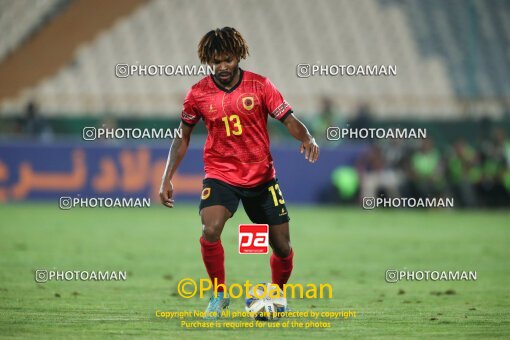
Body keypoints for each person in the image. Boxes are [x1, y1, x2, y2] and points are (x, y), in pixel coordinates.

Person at [159, 27, 319, 319]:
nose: (222, 67)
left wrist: (306, 137)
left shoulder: (260, 86)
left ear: (239, 57)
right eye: (216, 61)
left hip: (261, 177)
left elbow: (288, 119)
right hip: (221, 173)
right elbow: (182, 137)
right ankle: (219, 295)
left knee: (282, 247)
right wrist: (167, 176)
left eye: (228, 60)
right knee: (210, 229)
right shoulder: (197, 94)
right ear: (208, 60)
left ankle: (276, 293)